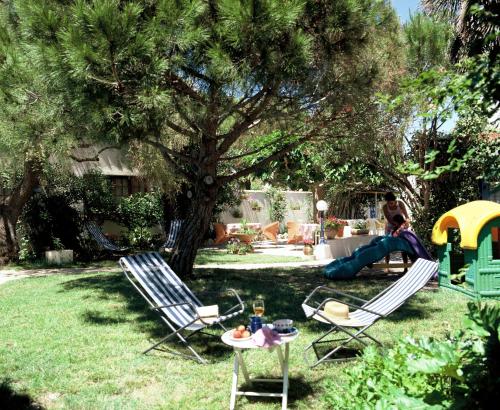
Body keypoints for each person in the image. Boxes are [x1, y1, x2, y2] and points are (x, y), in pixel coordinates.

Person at [383, 192, 410, 272]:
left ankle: (405, 267)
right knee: (387, 246)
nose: (390, 204)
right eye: (388, 203)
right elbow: (389, 219)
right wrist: (395, 227)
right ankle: (386, 267)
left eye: (391, 203)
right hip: (391, 225)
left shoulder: (400, 204)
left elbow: (407, 216)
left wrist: (403, 226)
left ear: (395, 201)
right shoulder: (385, 207)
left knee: (403, 247)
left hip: (401, 224)